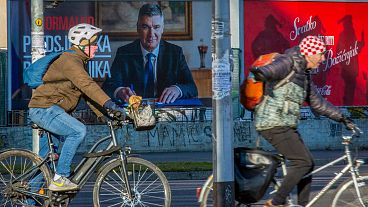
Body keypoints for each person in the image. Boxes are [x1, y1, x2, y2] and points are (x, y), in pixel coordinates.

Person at [249, 36, 355, 207]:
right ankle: (275, 203)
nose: (323, 59)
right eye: (321, 54)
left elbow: (317, 103)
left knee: (309, 164)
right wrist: (262, 73)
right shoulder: (288, 62)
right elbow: (272, 69)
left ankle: (302, 205)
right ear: (309, 54)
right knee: (302, 162)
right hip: (272, 123)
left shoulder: (303, 74)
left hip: (285, 124)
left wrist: (342, 117)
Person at [28, 23, 125, 192]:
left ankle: (29, 200)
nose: (96, 47)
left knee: (47, 162)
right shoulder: (70, 60)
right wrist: (109, 104)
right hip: (44, 109)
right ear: (82, 43)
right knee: (78, 131)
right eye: (93, 44)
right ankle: (61, 179)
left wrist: (104, 115)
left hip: (51, 110)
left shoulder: (79, 61)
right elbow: (87, 85)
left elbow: (86, 94)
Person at [103, 3, 198, 104]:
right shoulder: (124, 53)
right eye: (145, 27)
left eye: (156, 27)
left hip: (166, 113)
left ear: (162, 29)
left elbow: (192, 87)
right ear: (138, 28)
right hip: (135, 113)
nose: (151, 34)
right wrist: (119, 91)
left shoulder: (175, 53)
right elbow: (107, 86)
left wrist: (177, 89)